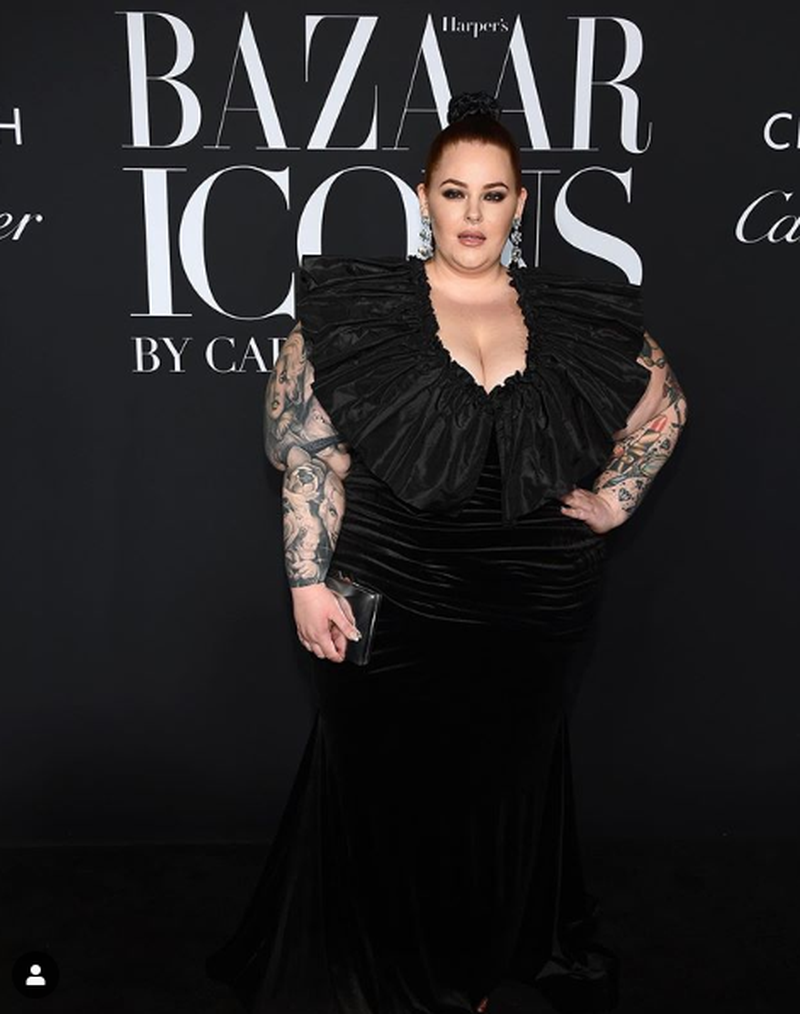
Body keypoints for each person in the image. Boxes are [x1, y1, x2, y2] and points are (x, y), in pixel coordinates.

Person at [206, 92, 688, 1014]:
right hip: (395, 597)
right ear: (424, 197)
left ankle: (471, 966)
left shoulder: (570, 314)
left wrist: (615, 500)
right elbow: (304, 455)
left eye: (494, 194)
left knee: (499, 797)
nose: (473, 214)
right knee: (390, 796)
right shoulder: (360, 311)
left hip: (536, 606)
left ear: (520, 204)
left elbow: (663, 411)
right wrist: (307, 582)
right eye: (455, 192)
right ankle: (399, 977)